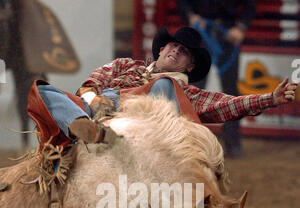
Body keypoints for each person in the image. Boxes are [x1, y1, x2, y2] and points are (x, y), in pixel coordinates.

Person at [28, 26, 297, 150]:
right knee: (41, 91)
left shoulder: (186, 93)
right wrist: (94, 101)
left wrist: (270, 98)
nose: (176, 50)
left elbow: (227, 105)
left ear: (190, 67)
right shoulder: (125, 65)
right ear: (162, 48)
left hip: (139, 120)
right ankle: (84, 125)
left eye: (184, 52)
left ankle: (93, 123)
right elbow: (90, 83)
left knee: (165, 86)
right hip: (97, 107)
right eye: (173, 46)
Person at [177, 0, 257, 157]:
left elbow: (250, 5)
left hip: (228, 33)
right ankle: (190, 143)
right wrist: (191, 16)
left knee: (231, 90)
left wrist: (240, 28)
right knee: (194, 90)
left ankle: (233, 143)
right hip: (200, 31)